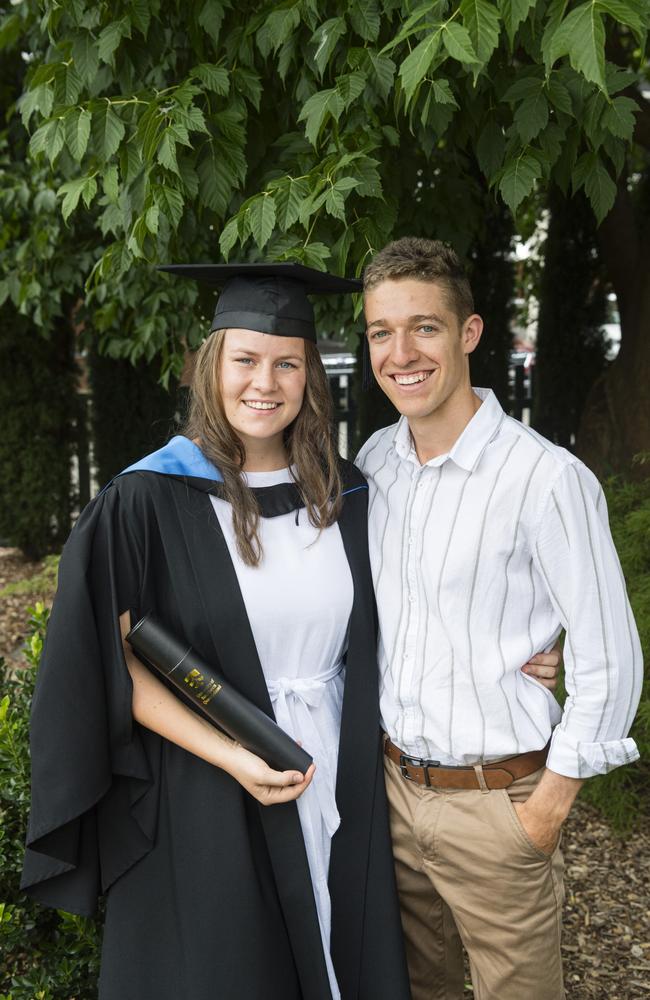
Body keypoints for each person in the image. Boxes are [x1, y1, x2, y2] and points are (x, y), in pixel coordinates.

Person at [21, 263, 412, 1000]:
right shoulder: (149, 497)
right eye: (245, 360)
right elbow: (109, 659)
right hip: (208, 786)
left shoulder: (348, 492)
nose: (264, 383)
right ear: (212, 366)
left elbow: (410, 603)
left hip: (340, 770)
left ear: (310, 376)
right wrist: (231, 755)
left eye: (286, 363)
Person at [355, 237, 643, 1000]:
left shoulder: (543, 478)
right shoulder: (375, 464)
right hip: (392, 794)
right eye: (381, 332)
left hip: (498, 806)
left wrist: (544, 812)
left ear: (469, 333)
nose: (400, 353)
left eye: (424, 327)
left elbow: (611, 655)